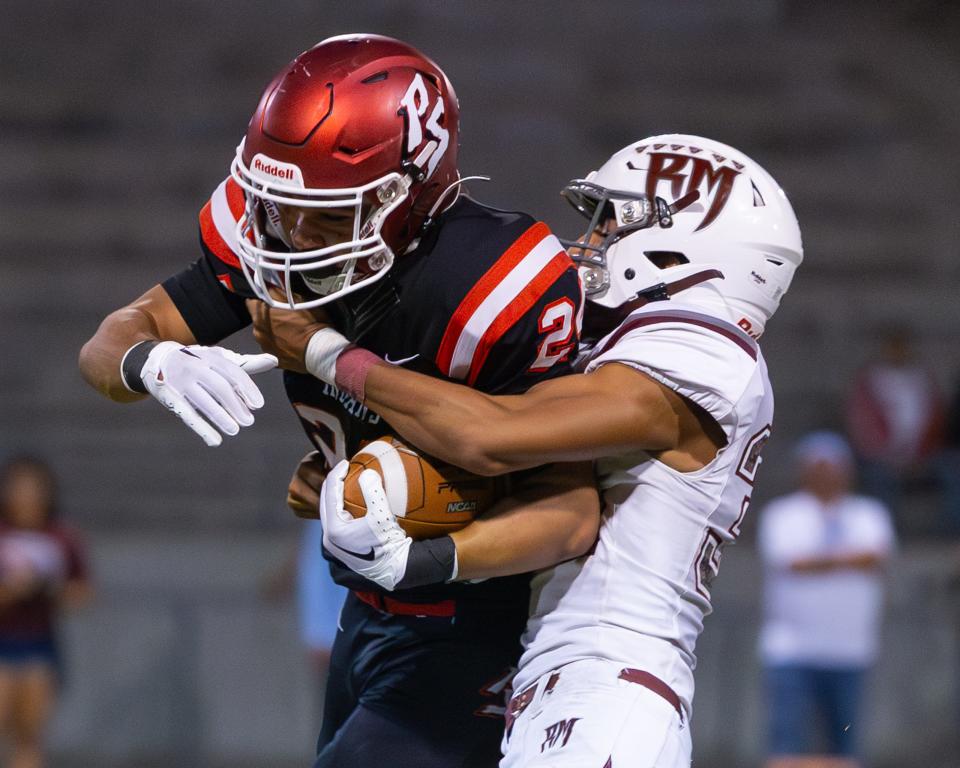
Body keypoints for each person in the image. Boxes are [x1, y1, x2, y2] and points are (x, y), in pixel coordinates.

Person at [78, 35, 591, 767]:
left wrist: (426, 558)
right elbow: (104, 344)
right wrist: (149, 360)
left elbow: (570, 512)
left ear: (409, 197)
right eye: (276, 207)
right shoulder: (272, 244)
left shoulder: (491, 288)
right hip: (365, 614)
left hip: (479, 624)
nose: (288, 236)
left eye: (325, 214)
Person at [258, 134, 804, 766]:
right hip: (562, 684)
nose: (587, 243)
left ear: (680, 244)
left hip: (606, 686)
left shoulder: (703, 350)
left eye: (609, 223)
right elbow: (538, 478)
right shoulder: (639, 348)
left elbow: (493, 435)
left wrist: (331, 356)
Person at [757, 432, 895, 767]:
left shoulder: (869, 513)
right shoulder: (782, 514)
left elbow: (876, 558)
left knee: (843, 749)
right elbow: (792, 562)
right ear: (803, 470)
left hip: (849, 649)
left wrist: (819, 560)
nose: (826, 473)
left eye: (832, 466)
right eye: (818, 466)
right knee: (786, 747)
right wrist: (849, 559)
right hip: (790, 648)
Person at [0, 456, 92, 768]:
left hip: (39, 642)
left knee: (30, 733)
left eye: (33, 489)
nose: (26, 496)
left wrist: (51, 590)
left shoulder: (61, 535)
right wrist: (12, 591)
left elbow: (82, 590)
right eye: (19, 488)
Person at [845, 326, 944, 511]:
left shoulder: (922, 378)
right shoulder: (869, 380)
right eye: (893, 346)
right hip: (879, 458)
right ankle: (887, 532)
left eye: (901, 345)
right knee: (879, 477)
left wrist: (919, 455)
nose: (897, 351)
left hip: (922, 456)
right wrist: (889, 457)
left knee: (951, 469)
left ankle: (951, 535)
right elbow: (863, 426)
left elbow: (936, 421)